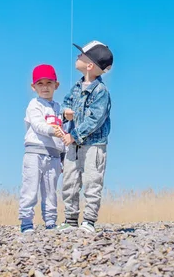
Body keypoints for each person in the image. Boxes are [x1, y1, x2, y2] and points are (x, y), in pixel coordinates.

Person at [54, 40, 113, 234]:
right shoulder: (76, 87)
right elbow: (65, 104)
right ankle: (70, 219)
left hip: (93, 145)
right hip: (73, 145)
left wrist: (74, 135)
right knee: (70, 181)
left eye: (81, 55)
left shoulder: (101, 91)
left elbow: (95, 119)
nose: (77, 57)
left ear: (90, 65)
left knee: (92, 181)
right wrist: (65, 113)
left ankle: (89, 220)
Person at [18, 64, 65, 234]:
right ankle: (26, 222)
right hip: (34, 152)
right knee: (30, 188)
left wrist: (63, 156)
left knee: (51, 190)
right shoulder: (34, 104)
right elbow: (38, 125)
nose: (45, 87)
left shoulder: (60, 108)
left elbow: (63, 133)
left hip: (53, 155)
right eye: (40, 84)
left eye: (49, 83)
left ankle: (51, 222)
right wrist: (53, 130)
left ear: (56, 85)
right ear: (33, 87)